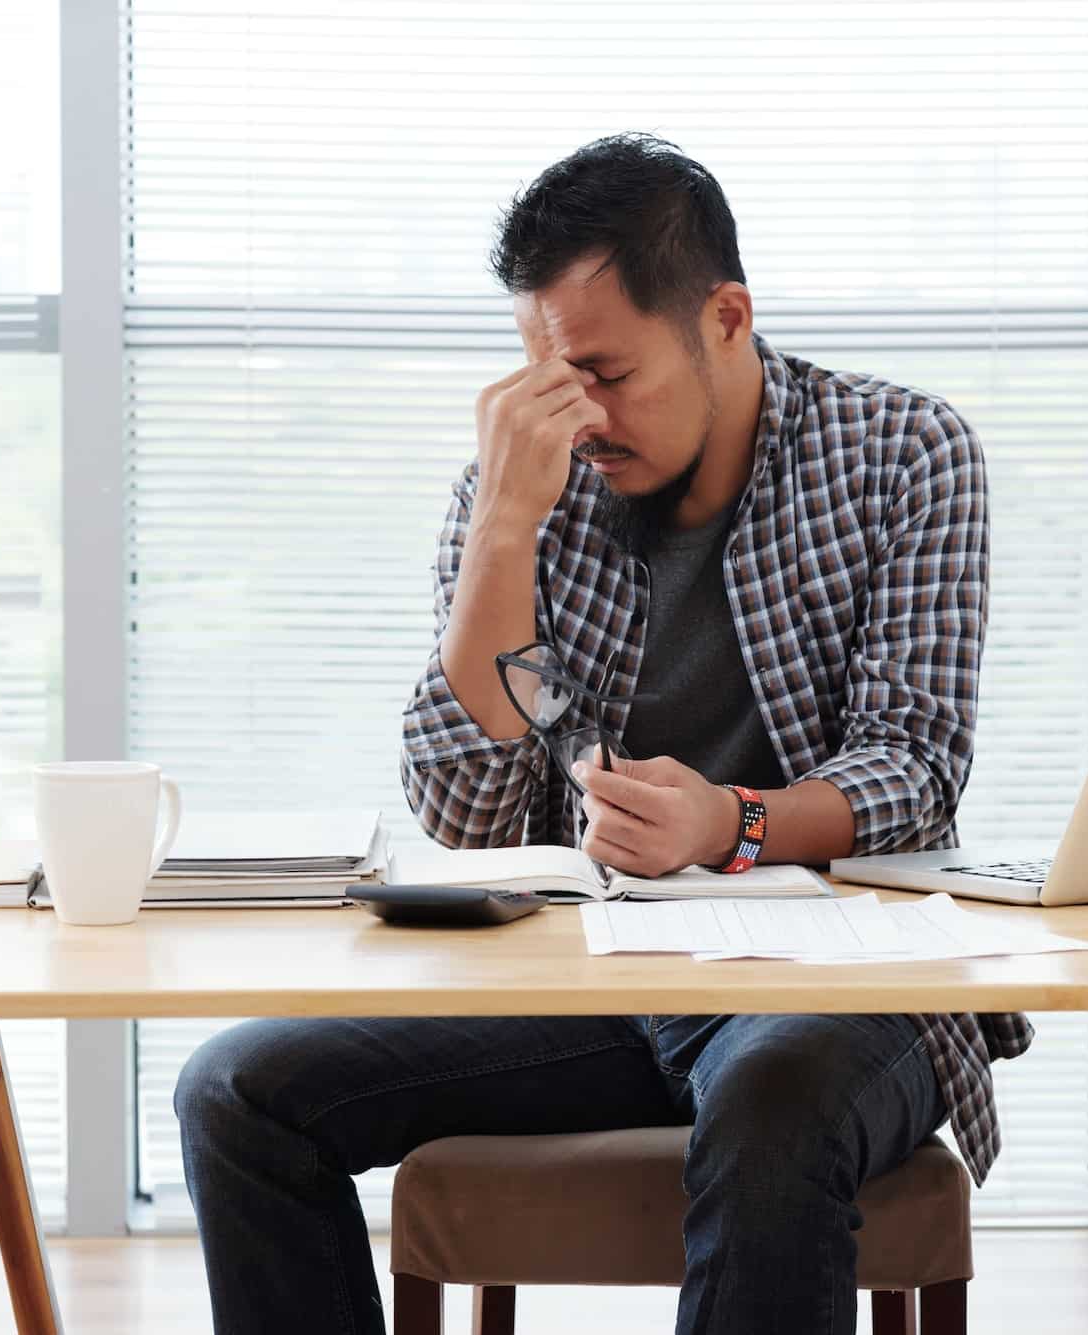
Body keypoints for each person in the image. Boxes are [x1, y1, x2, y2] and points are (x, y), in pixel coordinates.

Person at [176, 132, 1032, 1335]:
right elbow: (465, 814)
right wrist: (502, 532)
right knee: (236, 1091)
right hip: (590, 973)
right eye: (547, 376)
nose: (577, 416)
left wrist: (727, 825)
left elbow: (914, 766)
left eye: (606, 373)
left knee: (775, 1094)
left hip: (841, 981)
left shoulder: (902, 453)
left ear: (724, 318)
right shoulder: (526, 484)